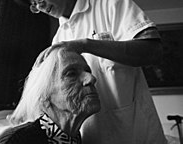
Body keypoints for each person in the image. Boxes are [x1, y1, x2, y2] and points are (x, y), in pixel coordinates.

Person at [14, 0, 168, 143]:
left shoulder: (110, 5)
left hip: (135, 135)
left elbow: (153, 52)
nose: (41, 7)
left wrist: (85, 45)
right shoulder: (59, 39)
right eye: (34, 4)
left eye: (40, 0)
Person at [0, 48, 101, 144]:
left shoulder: (75, 138)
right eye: (71, 74)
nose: (91, 78)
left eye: (87, 71)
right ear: (44, 96)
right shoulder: (20, 141)